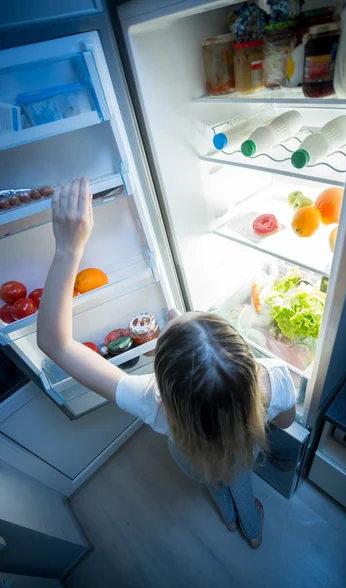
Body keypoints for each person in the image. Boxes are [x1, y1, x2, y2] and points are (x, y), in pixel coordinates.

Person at [37, 177, 296, 549]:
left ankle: (225, 516)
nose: (173, 311)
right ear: (245, 356)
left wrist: (67, 250)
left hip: (191, 457)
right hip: (240, 452)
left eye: (175, 320)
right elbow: (284, 421)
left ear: (161, 372)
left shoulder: (154, 399)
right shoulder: (275, 379)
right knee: (240, 481)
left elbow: (55, 343)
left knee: (212, 479)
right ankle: (251, 531)